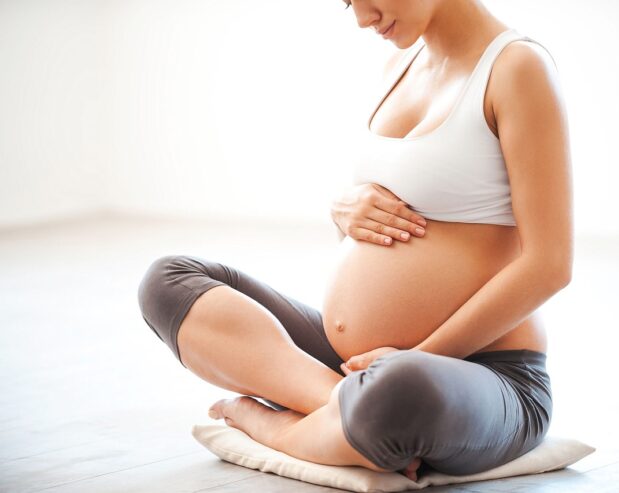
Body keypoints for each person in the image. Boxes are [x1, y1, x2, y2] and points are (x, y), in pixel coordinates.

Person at [137, 0, 572, 481]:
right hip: (356, 364)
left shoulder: (517, 69)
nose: (363, 18)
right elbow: (385, 221)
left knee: (401, 389)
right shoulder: (399, 66)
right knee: (170, 280)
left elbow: (549, 264)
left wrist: (419, 358)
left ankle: (279, 428)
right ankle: (346, 407)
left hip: (481, 373)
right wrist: (342, 209)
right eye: (348, 3)